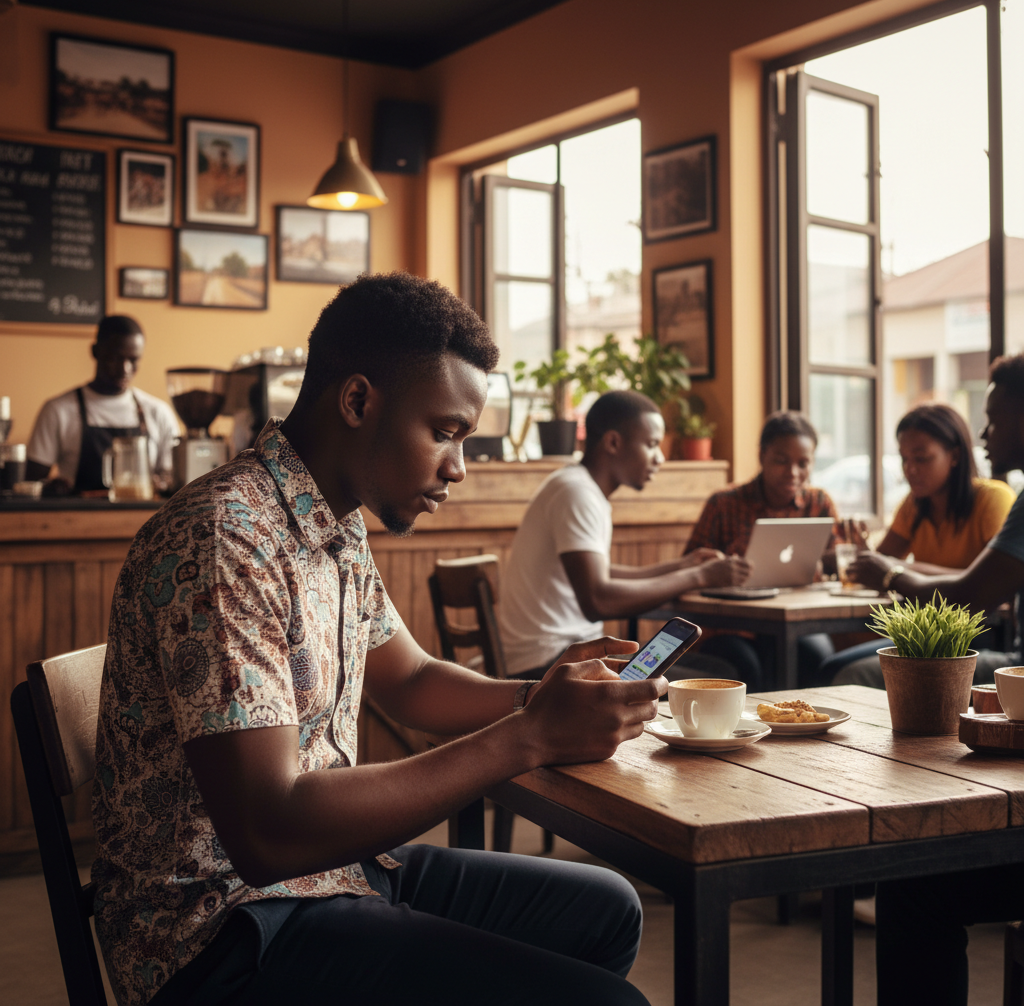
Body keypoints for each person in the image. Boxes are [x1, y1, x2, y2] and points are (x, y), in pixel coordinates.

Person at [91, 273, 662, 1006]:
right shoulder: (226, 538)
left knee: (608, 908)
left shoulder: (333, 521)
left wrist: (545, 697)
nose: (457, 466)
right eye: (446, 432)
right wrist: (527, 738)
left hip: (330, 875)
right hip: (220, 933)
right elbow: (268, 832)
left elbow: (412, 680)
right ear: (358, 401)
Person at [868, 353, 1024, 1006]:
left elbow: (969, 595)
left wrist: (878, 568)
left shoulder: (1004, 500)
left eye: (993, 418)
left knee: (914, 885)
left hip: (986, 645)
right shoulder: (923, 503)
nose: (985, 434)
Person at [498, 389, 750, 682]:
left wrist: (685, 565)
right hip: (550, 663)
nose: (661, 458)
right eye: (652, 444)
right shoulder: (577, 493)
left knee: (719, 669)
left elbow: (601, 577)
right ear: (614, 442)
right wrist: (701, 577)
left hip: (564, 653)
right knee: (725, 674)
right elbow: (598, 600)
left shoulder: (577, 487)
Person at [819, 402, 1014, 685]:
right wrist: (862, 556)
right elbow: (883, 562)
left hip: (978, 631)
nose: (910, 469)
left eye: (921, 458)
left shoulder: (992, 499)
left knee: (842, 671)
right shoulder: (914, 506)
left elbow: (987, 583)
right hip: (923, 630)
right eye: (904, 458)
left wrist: (895, 568)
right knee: (829, 667)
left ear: (955, 456)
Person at [683, 410, 845, 685]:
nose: (793, 473)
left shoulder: (820, 503)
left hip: (798, 623)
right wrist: (718, 568)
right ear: (762, 457)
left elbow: (840, 564)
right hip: (733, 626)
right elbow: (688, 568)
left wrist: (829, 562)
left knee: (817, 657)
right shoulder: (723, 504)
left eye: (803, 463)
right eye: (781, 461)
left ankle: (803, 726)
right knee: (747, 666)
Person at [26, 314, 178, 493]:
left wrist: (163, 483)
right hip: (79, 518)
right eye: (115, 358)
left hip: (146, 519)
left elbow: (172, 478)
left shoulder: (158, 412)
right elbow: (31, 482)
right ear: (95, 351)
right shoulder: (58, 410)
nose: (125, 369)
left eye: (133, 360)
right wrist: (52, 487)